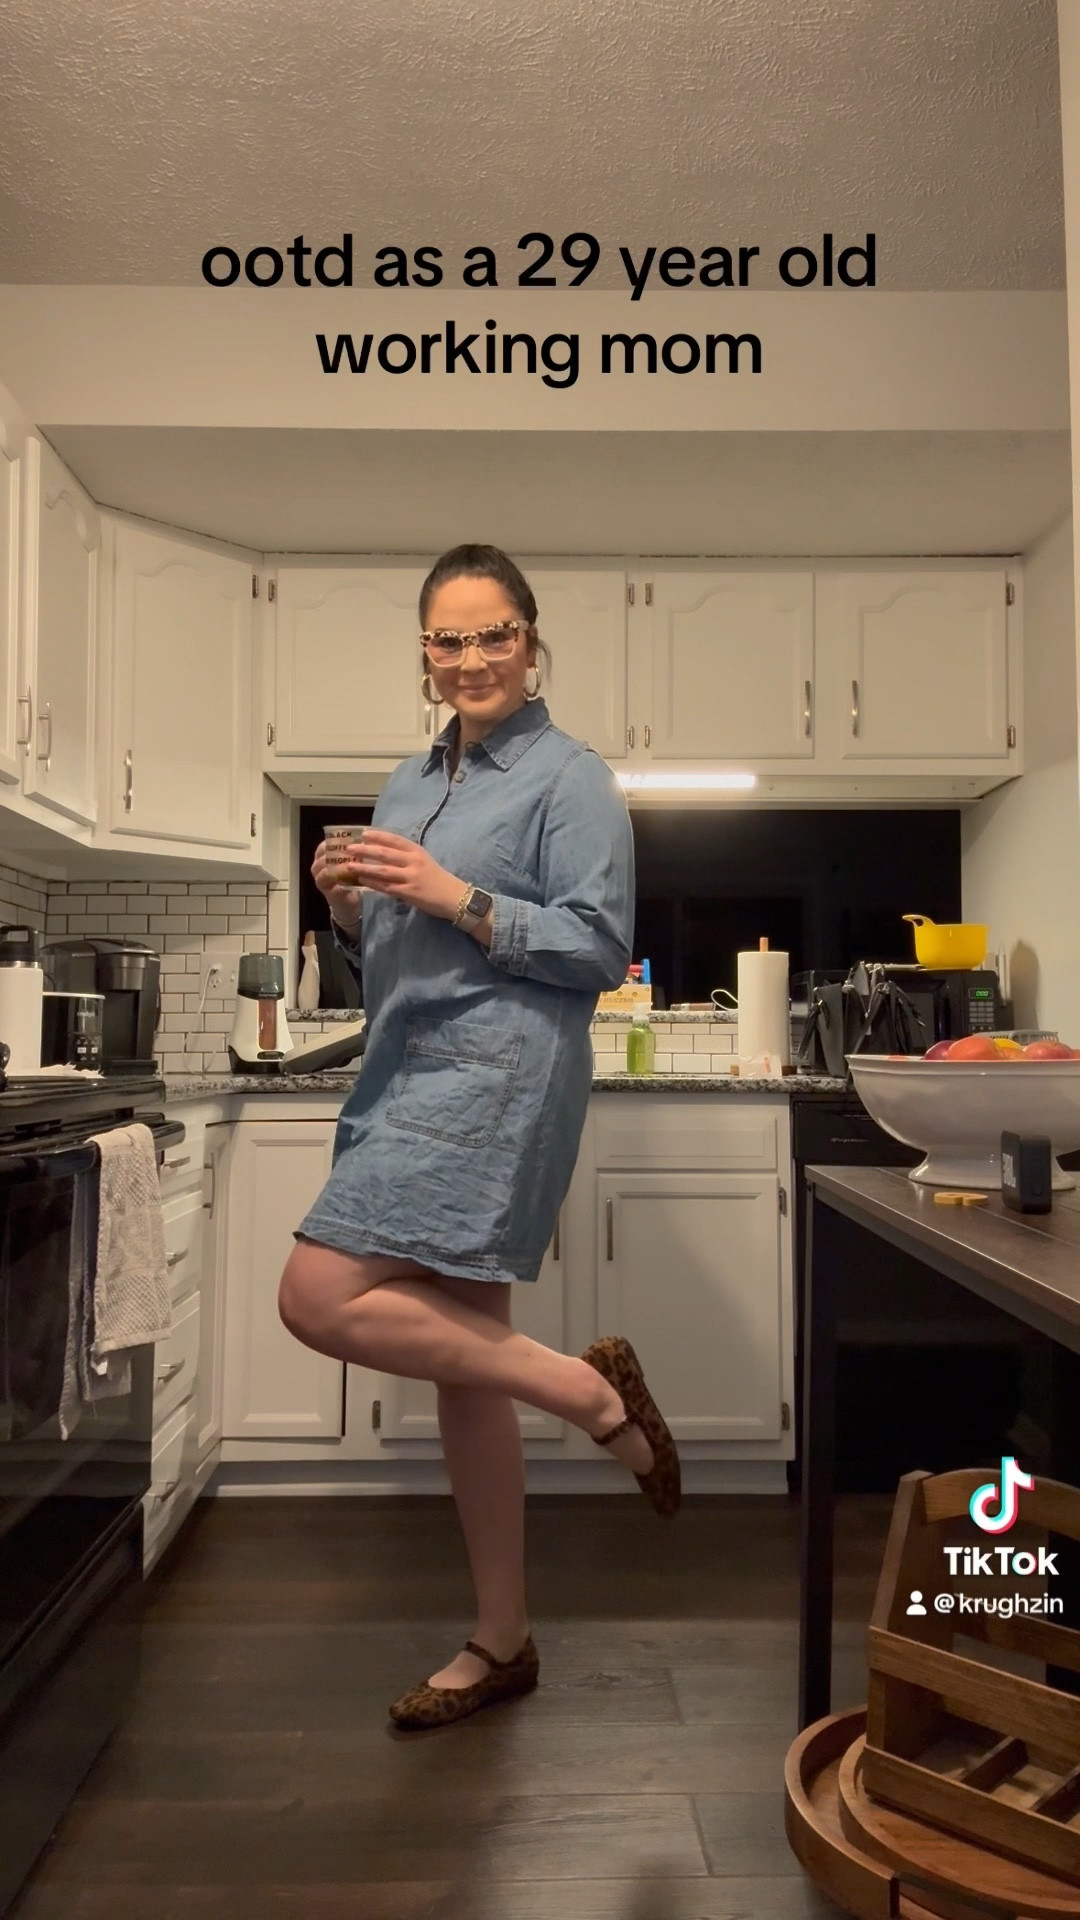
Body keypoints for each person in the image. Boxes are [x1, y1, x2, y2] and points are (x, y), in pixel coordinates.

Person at [278, 544, 680, 1732]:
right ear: (424, 653)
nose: (470, 659)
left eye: (493, 634)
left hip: (498, 1074)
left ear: (532, 639)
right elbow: (391, 959)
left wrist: (451, 893)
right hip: (403, 1069)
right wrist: (354, 911)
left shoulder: (572, 779)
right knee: (464, 1364)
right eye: (447, 641)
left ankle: (592, 1396)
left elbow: (600, 949)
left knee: (314, 1293)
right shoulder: (408, 783)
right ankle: (501, 1638)